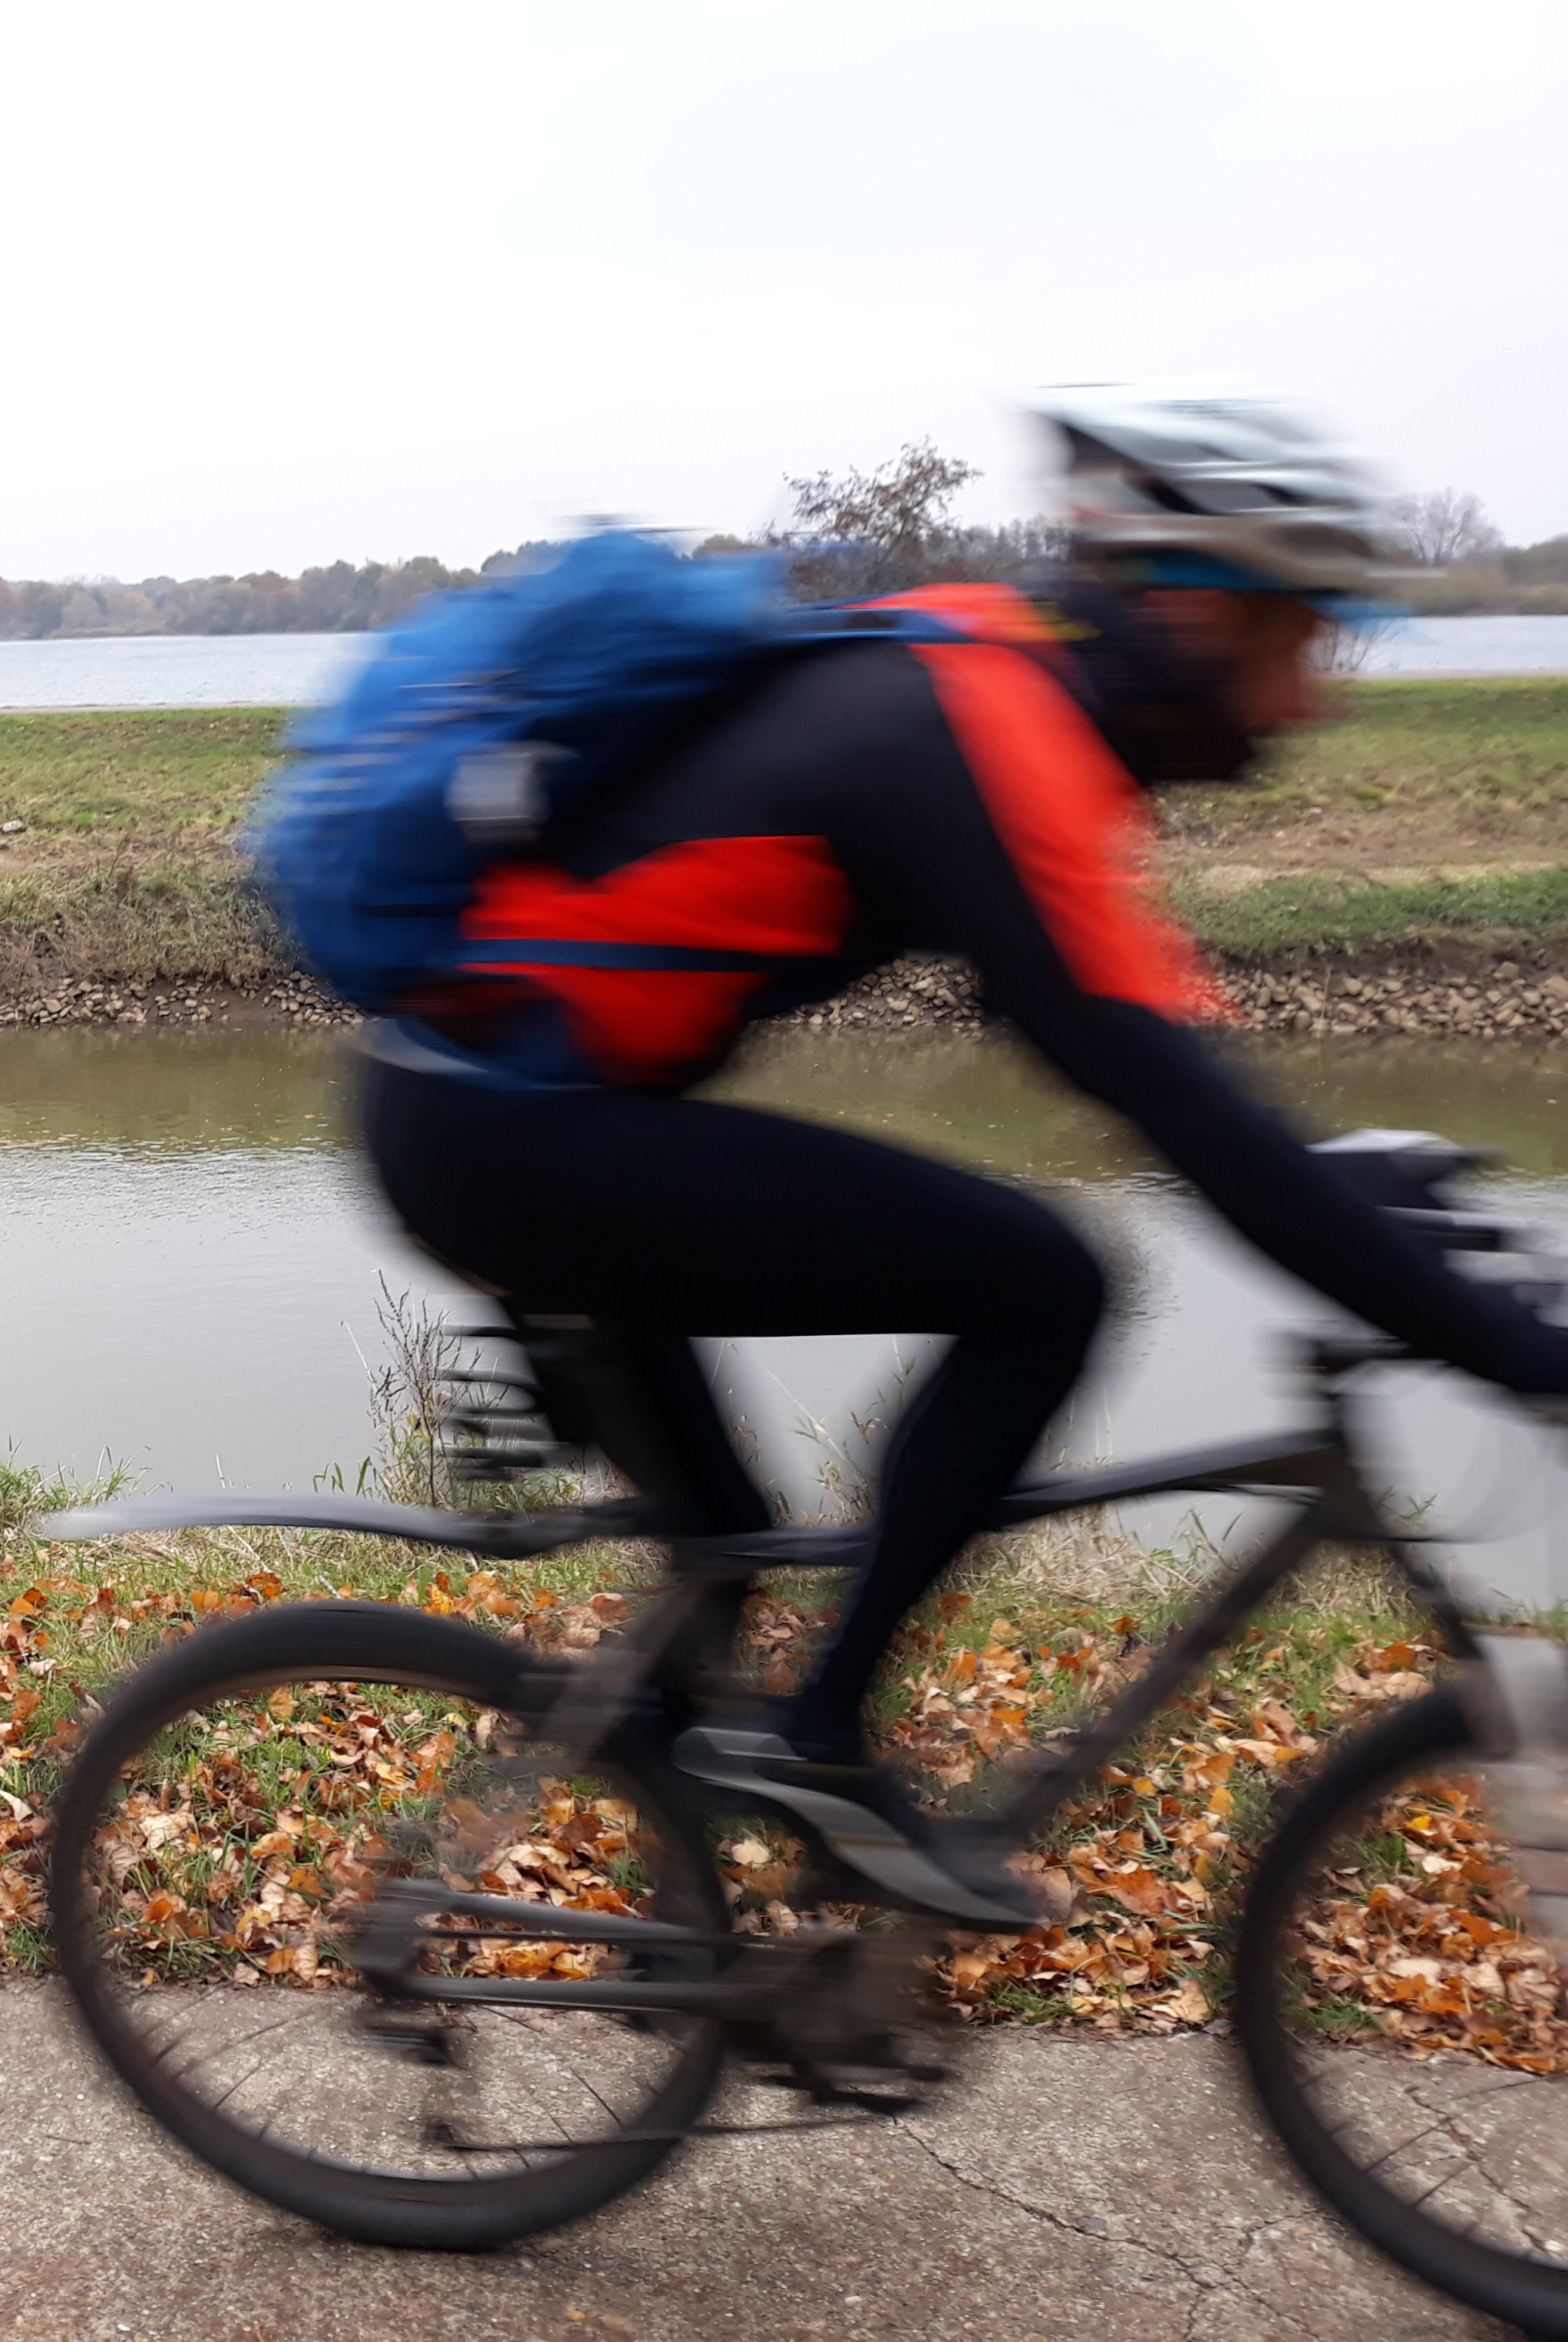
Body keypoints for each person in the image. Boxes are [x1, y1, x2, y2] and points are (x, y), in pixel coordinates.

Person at [354, 384, 1568, 1923]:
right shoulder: (983, 732)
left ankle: (720, 1925)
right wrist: (1501, 1345)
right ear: (1197, 611)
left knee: (726, 1551)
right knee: (1043, 1278)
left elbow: (1172, 1064)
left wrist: (1354, 1191)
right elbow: (1179, 1112)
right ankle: (820, 1741)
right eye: (1301, 640)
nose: (1314, 698)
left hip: (501, 1108)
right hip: (506, 1134)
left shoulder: (982, 664)